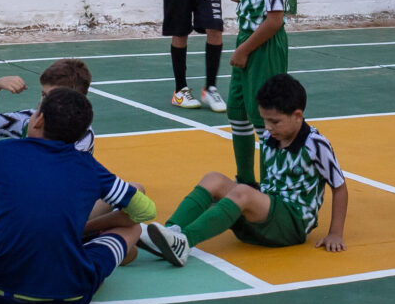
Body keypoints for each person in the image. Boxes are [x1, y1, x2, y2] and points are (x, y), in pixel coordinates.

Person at [0, 89, 154, 304]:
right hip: (72, 297)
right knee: (132, 227)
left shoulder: (1, 153)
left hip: (0, 295)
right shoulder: (89, 167)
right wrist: (85, 228)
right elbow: (146, 210)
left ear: (39, 120)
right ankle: (86, 251)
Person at [139, 74, 348, 265]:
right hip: (268, 213)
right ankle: (170, 232)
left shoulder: (316, 145)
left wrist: (335, 233)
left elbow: (339, 187)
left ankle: (184, 243)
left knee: (243, 192)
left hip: (293, 224)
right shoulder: (270, 138)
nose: (267, 127)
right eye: (264, 120)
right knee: (215, 179)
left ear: (297, 115)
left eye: (274, 121)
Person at [225, 0, 293, 185]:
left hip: (262, 45)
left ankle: (269, 187)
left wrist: (244, 51)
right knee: (237, 110)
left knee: (266, 119)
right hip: (247, 40)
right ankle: (245, 181)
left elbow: (275, 20)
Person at [0, 58, 96, 152]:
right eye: (43, 95)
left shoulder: (82, 135)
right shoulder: (29, 119)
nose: (43, 101)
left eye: (51, 97)